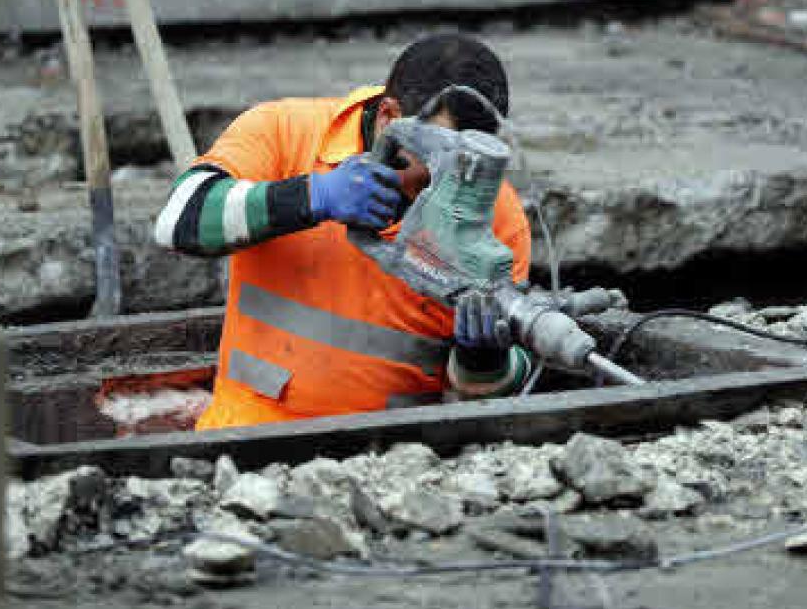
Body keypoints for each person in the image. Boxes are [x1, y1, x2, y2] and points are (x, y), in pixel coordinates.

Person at [154, 34, 532, 429]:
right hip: (249, 435)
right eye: (434, 165)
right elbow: (178, 220)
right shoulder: (287, 133)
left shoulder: (496, 217)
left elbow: (489, 396)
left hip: (399, 452)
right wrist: (310, 196)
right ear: (389, 118)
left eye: (466, 170)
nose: (446, 188)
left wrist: (484, 362)